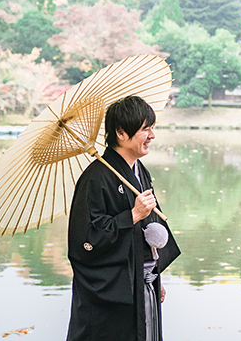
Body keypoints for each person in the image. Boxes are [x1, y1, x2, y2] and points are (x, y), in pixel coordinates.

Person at [67, 96, 180, 341]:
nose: (152, 135)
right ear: (120, 132)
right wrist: (131, 216)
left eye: (152, 128)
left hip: (143, 283)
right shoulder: (95, 178)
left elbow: (149, 230)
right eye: (145, 129)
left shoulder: (140, 172)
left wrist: (154, 275)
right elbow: (86, 240)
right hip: (113, 294)